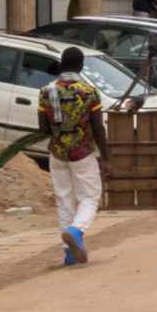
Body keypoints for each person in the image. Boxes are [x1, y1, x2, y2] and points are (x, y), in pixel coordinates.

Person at [38, 46, 108, 265]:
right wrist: (106, 156)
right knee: (89, 197)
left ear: (61, 65)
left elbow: (43, 129)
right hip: (83, 153)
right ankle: (76, 232)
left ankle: (69, 253)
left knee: (64, 200)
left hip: (57, 154)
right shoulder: (89, 92)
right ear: (81, 66)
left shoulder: (46, 91)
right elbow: (98, 128)